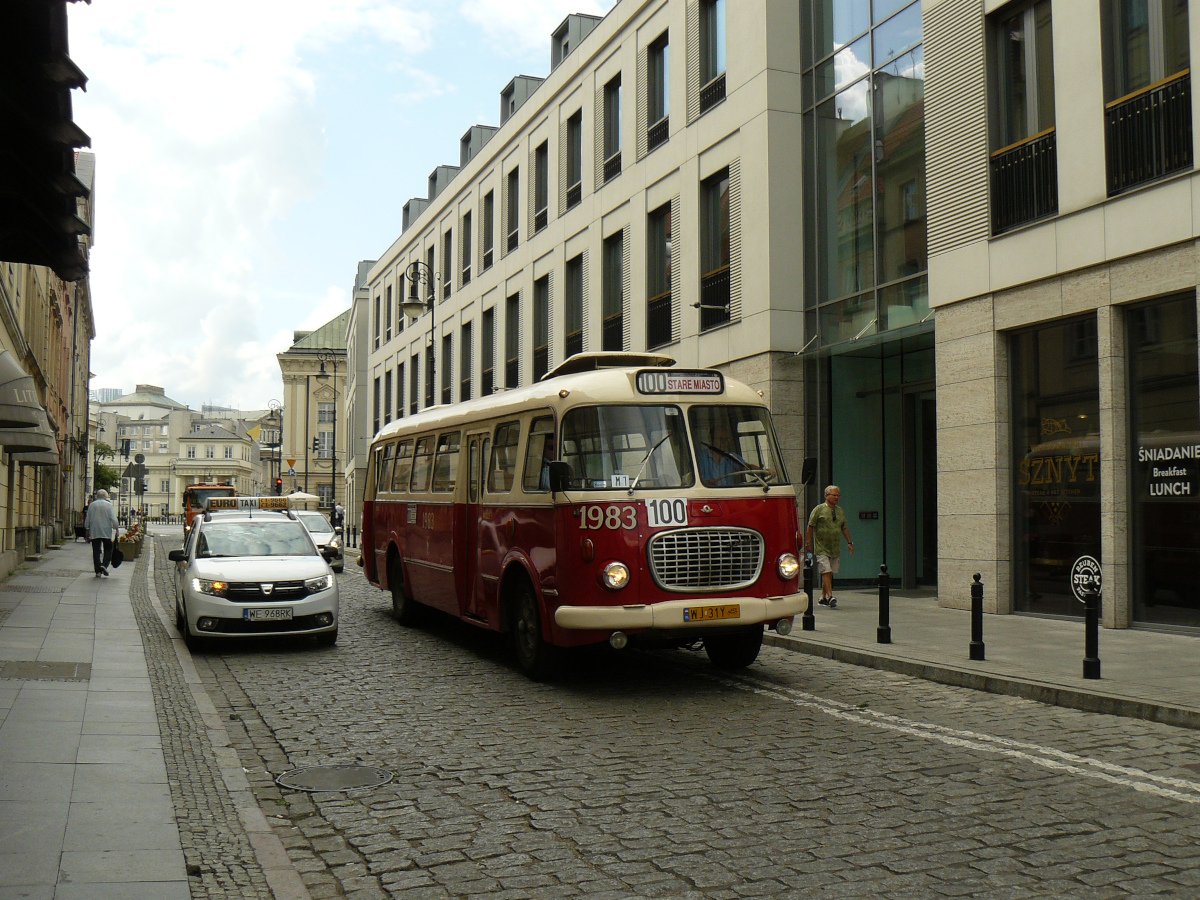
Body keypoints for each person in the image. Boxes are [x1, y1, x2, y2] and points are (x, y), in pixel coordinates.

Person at [806, 484, 854, 608]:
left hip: (835, 547)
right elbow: (810, 526)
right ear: (827, 495)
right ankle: (831, 596)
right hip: (821, 547)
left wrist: (850, 542)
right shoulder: (819, 509)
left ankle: (823, 597)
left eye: (838, 495)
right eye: (834, 495)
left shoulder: (839, 511)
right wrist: (808, 543)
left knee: (829, 572)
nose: (836, 497)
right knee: (826, 570)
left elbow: (844, 527)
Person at [84, 488, 120, 577]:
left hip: (95, 531)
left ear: (97, 496)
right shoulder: (109, 505)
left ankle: (98, 571)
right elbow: (113, 518)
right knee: (108, 549)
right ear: (105, 496)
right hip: (106, 531)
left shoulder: (92, 505)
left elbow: (88, 518)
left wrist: (87, 529)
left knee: (96, 551)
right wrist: (117, 528)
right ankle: (104, 564)